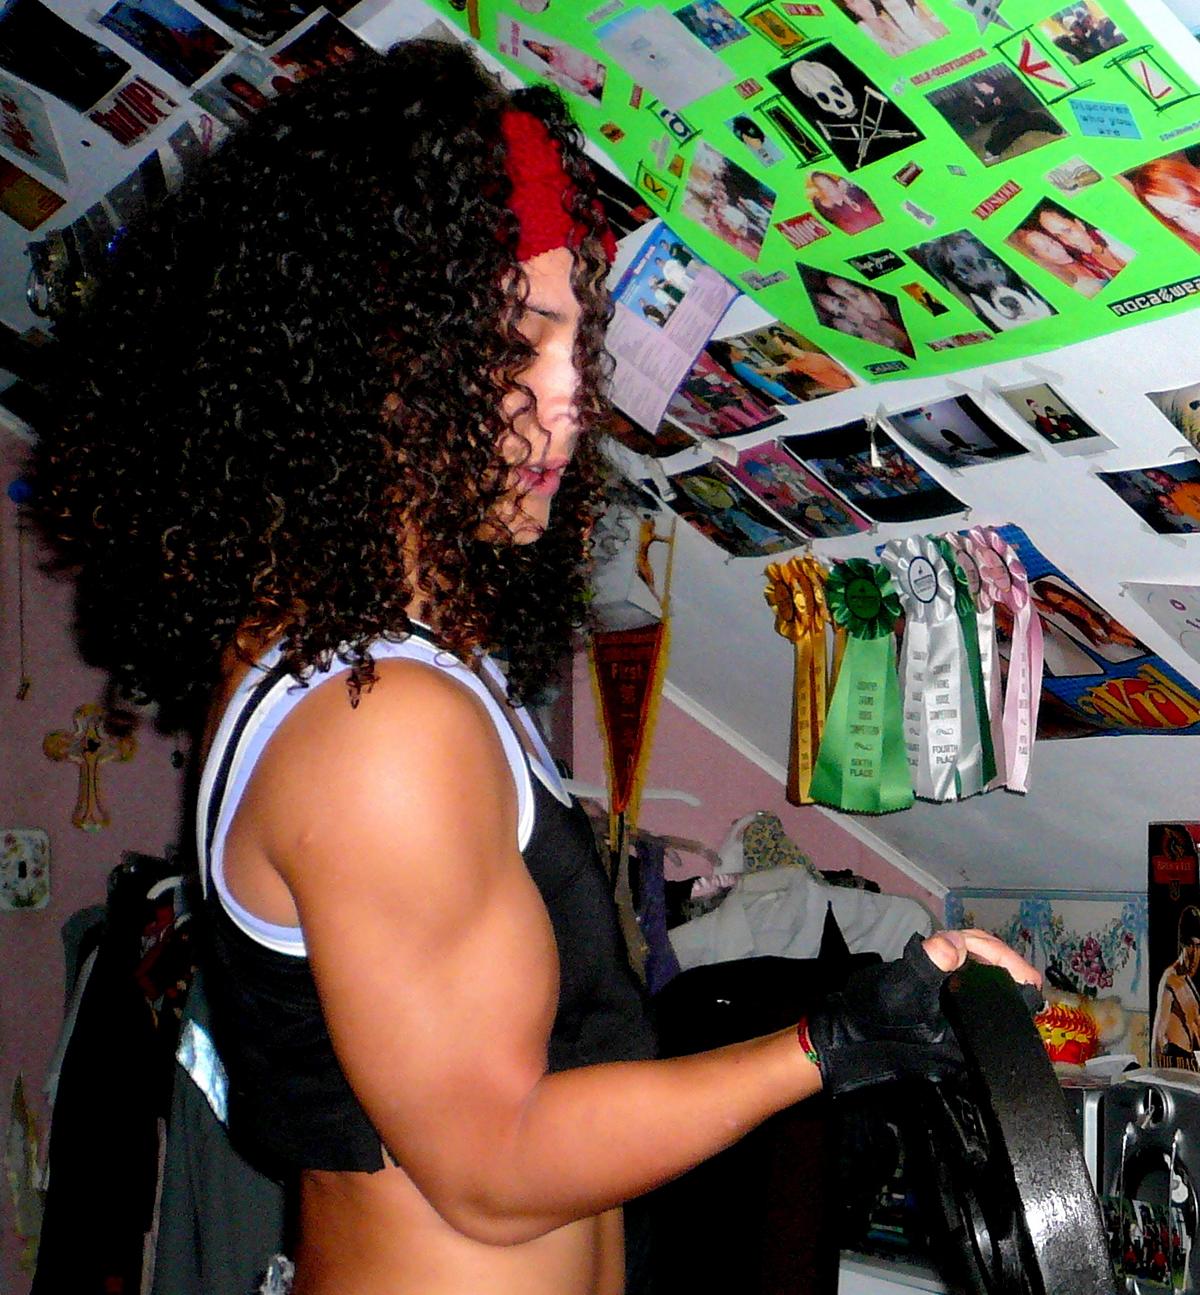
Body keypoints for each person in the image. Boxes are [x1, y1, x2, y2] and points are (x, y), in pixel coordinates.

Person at [33, 40, 1039, 1295]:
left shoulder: (360, 638)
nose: (570, 402)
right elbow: (495, 1162)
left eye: (578, 341)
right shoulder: (376, 721)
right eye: (515, 342)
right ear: (367, 356)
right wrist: (834, 1041)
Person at [1153, 907, 1200, 1069]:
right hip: (1176, 1064)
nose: (1195, 954)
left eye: (1199, 946)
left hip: (1192, 1065)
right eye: (1191, 946)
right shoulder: (1170, 980)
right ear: (1183, 944)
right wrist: (1157, 1076)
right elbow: (1158, 1037)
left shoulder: (1188, 984)